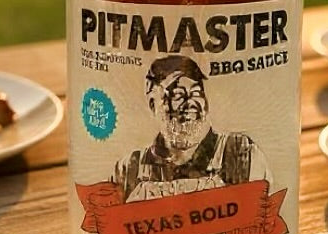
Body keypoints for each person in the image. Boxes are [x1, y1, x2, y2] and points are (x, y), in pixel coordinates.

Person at [111, 55, 269, 202]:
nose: (191, 103)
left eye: (196, 92)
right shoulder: (130, 169)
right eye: (178, 95)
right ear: (154, 105)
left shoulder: (239, 154)